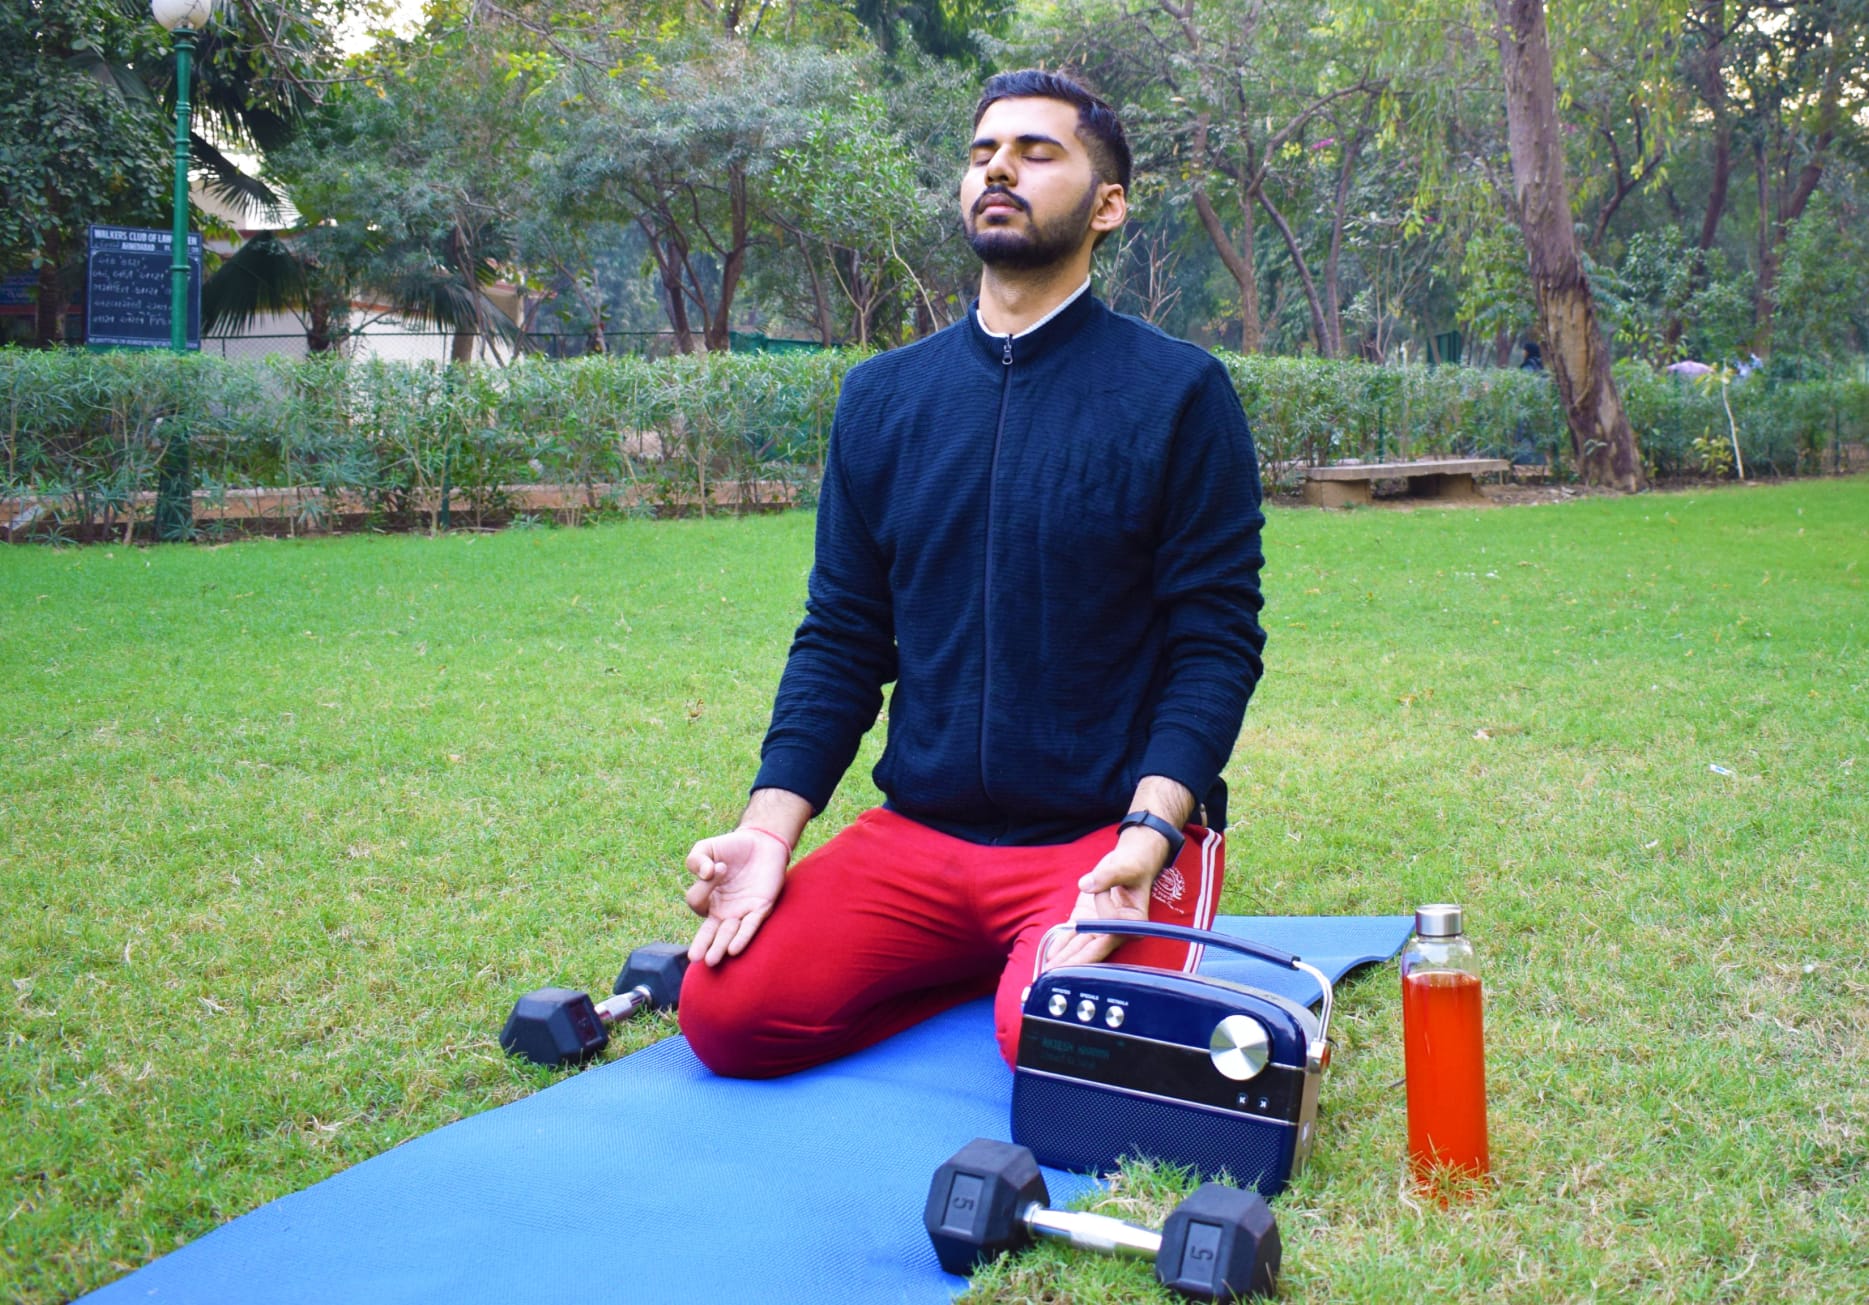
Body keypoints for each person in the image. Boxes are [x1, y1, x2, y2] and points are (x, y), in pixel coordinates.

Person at [678, 69, 1266, 1077]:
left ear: (1108, 206)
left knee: (1061, 1048)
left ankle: (1045, 961)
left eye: (1039, 151)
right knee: (727, 1015)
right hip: (922, 836)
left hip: (1099, 840)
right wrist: (768, 830)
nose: (1000, 167)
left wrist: (1152, 831)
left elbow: (1214, 641)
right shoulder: (882, 400)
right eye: (984, 151)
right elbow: (843, 636)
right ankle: (974, 959)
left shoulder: (1179, 394)